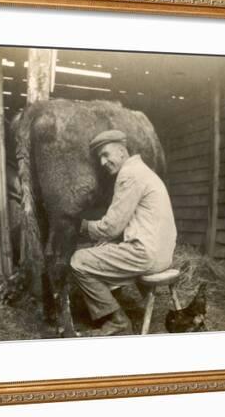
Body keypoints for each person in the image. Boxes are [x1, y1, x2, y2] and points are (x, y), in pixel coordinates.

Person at [70, 130, 177, 336]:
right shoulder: (143, 171)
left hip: (146, 255)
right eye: (100, 157)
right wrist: (108, 240)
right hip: (164, 254)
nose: (103, 162)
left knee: (79, 261)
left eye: (106, 154)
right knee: (103, 249)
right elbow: (128, 223)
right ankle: (112, 305)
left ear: (121, 151)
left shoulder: (128, 175)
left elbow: (111, 226)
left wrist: (80, 225)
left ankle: (116, 320)